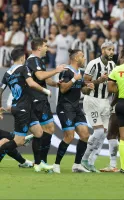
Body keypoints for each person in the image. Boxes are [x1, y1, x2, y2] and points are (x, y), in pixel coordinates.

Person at [0, 46, 53, 172]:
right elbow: (31, 83)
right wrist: (45, 90)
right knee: (18, 141)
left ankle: (38, 164)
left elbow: (0, 90)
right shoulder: (24, 68)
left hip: (23, 108)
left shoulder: (7, 73)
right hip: (23, 109)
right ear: (23, 57)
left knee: (39, 132)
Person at [26, 37, 66, 170]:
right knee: (48, 129)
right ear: (39, 48)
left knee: (44, 130)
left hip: (41, 99)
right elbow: (40, 76)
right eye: (45, 46)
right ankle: (40, 161)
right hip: (37, 99)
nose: (47, 48)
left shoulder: (39, 61)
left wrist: (57, 84)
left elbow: (46, 80)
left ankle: (40, 161)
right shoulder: (33, 60)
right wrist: (57, 70)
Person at [53, 49, 94, 173]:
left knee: (85, 135)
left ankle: (77, 165)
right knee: (69, 136)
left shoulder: (79, 72)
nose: (84, 58)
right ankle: (56, 165)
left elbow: (83, 90)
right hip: (65, 107)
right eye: (82, 56)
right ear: (76, 58)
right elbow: (63, 89)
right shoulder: (66, 72)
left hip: (76, 108)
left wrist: (88, 88)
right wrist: (74, 79)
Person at [81, 41, 115, 172]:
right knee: (99, 131)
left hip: (105, 101)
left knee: (103, 133)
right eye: (109, 49)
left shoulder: (113, 65)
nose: (111, 52)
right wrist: (98, 81)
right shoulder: (93, 64)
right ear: (103, 50)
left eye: (112, 49)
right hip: (92, 100)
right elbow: (84, 84)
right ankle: (84, 159)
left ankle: (91, 162)